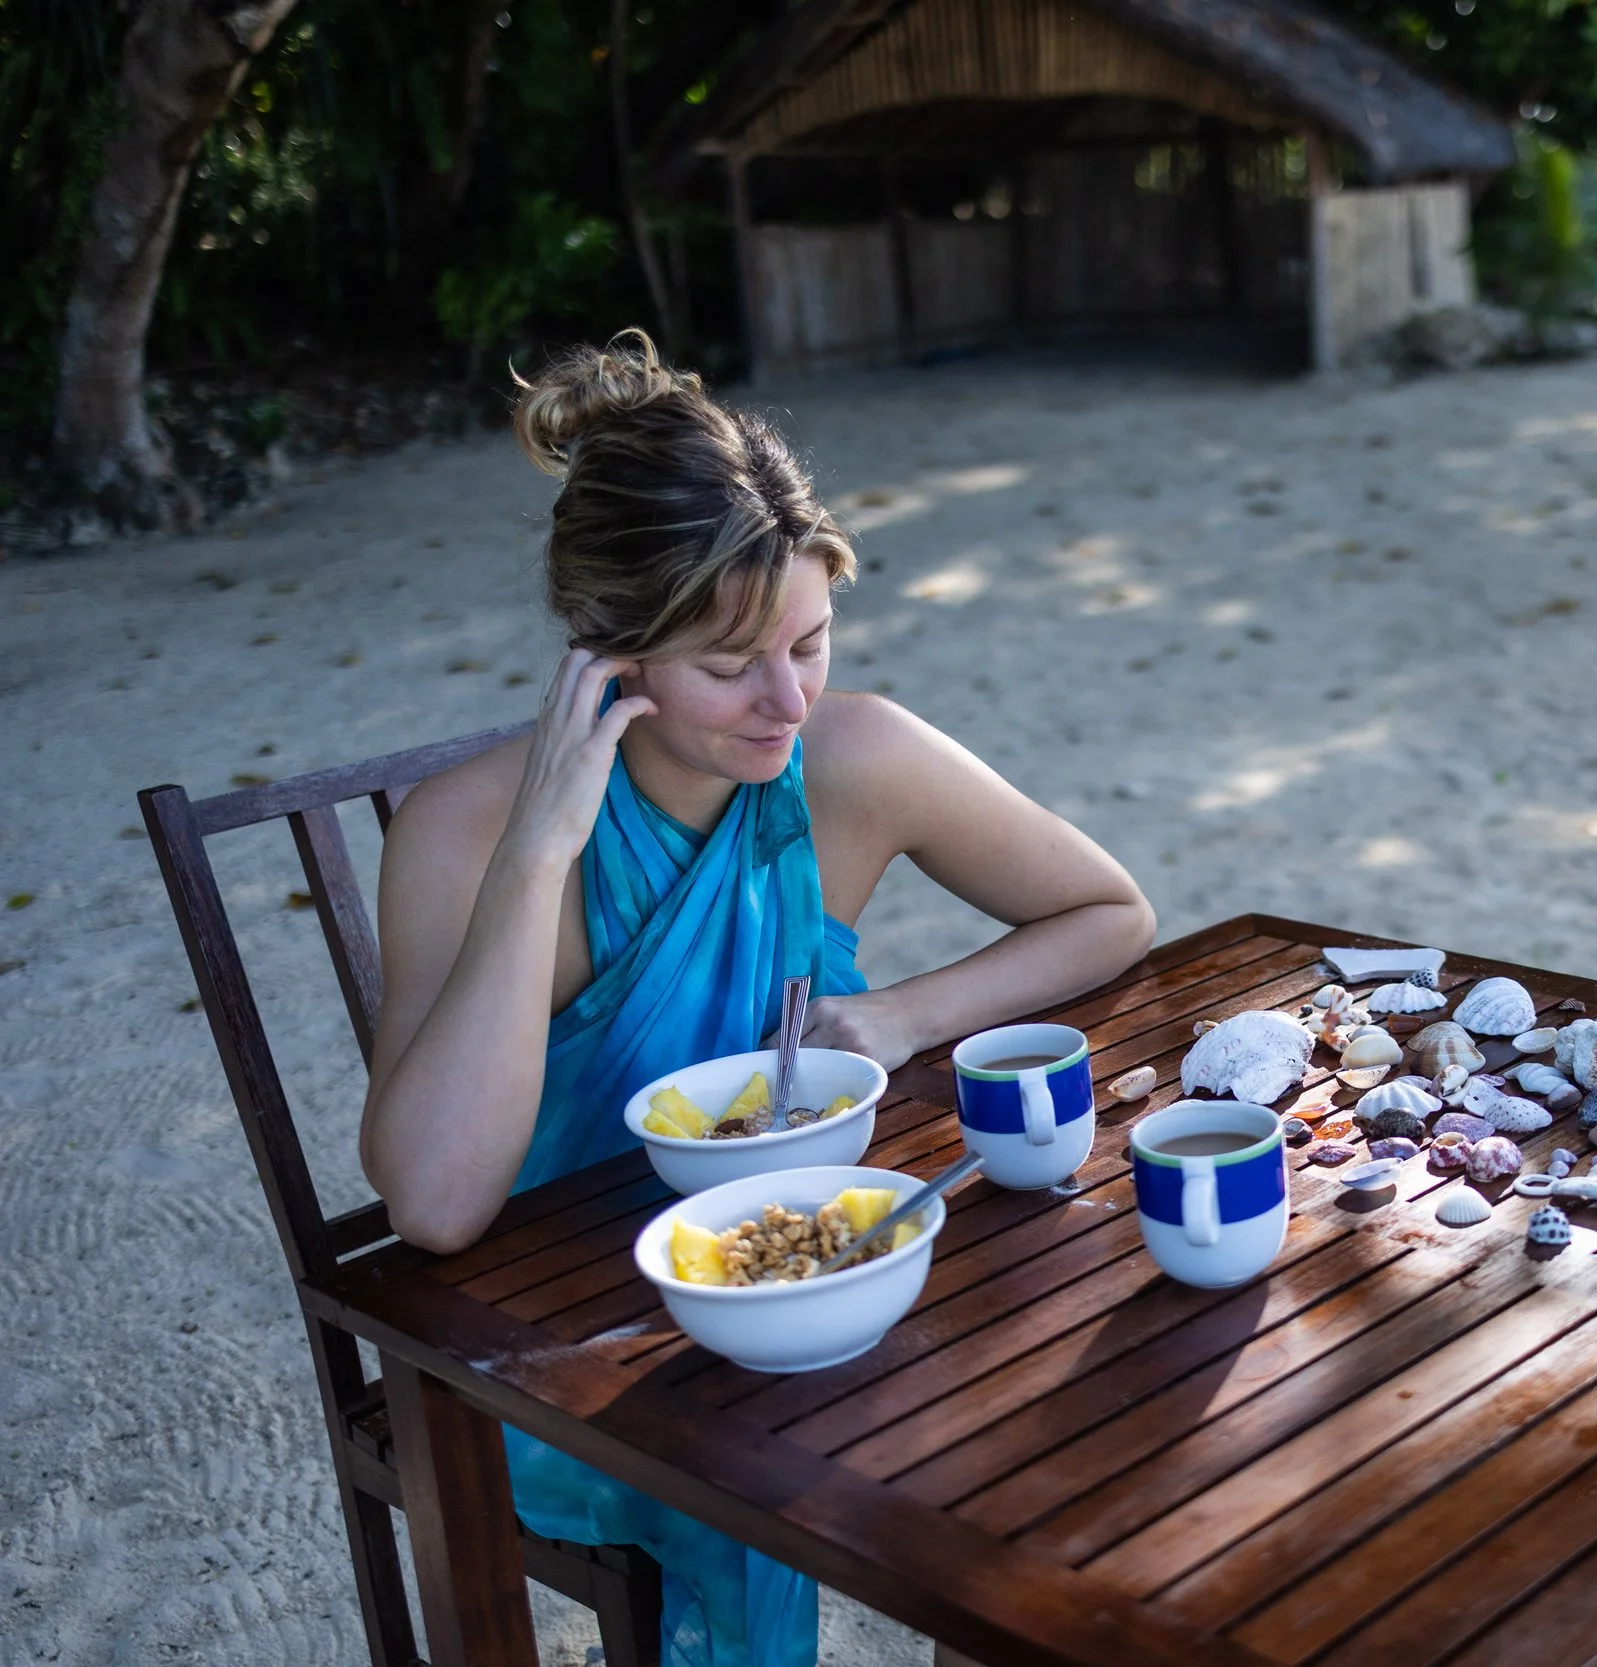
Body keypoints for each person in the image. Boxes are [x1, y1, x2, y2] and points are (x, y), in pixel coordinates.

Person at [358, 329, 1155, 1666]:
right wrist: (543, 843)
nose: (786, 699)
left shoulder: (849, 761)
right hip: (566, 1351)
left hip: (812, 1283)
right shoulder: (462, 831)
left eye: (812, 639)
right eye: (731, 664)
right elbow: (434, 1205)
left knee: (1060, 1357)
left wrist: (902, 1015)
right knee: (758, 1466)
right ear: (609, 655)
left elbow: (1108, 912)